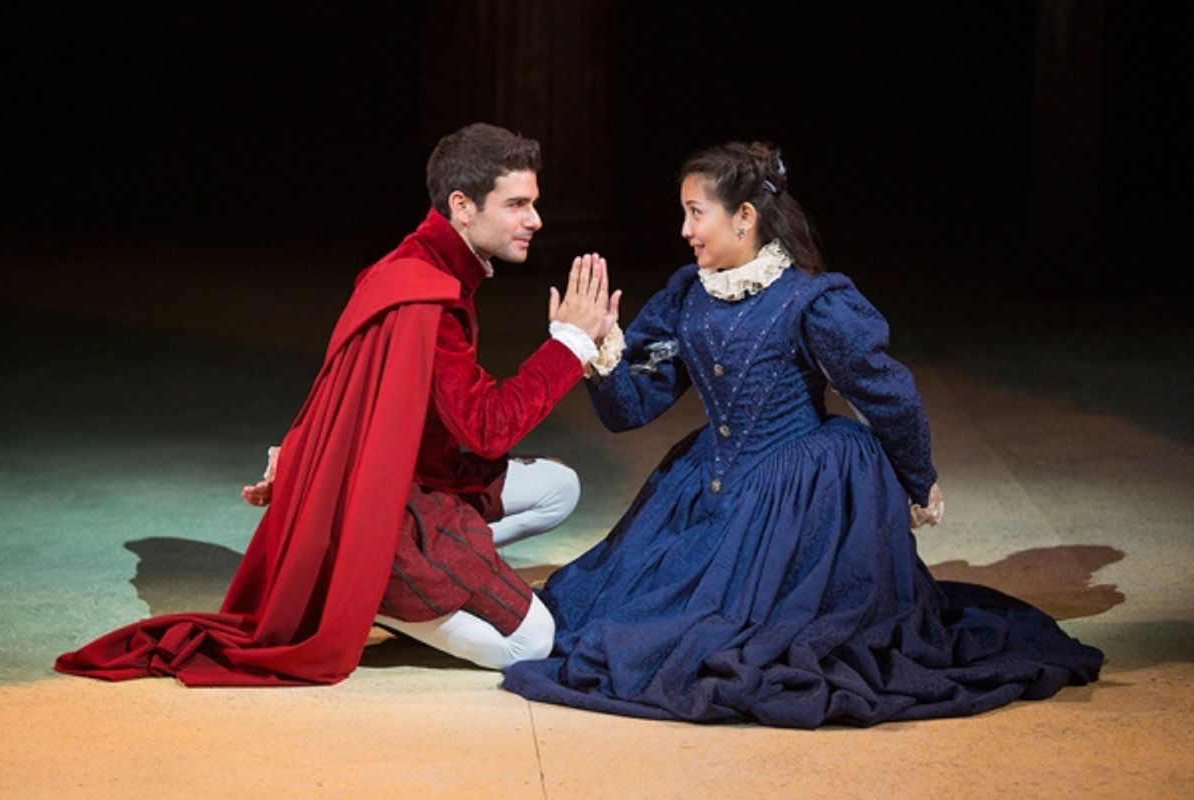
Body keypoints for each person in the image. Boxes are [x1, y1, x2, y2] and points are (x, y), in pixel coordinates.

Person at [502, 141, 1103, 727]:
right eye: (683, 212)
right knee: (620, 611)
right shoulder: (687, 294)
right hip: (711, 478)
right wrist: (592, 352)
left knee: (748, 632)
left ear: (745, 217)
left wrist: (918, 479)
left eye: (695, 213)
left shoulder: (811, 302)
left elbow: (888, 395)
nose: (684, 229)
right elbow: (629, 411)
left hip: (801, 489)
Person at [55, 122, 619, 685]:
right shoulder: (424, 294)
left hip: (419, 478)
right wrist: (568, 346)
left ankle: (424, 565)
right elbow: (487, 429)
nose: (535, 221)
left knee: (559, 488)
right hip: (389, 508)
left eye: (534, 203)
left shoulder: (414, 267)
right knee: (533, 643)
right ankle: (372, 586)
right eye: (517, 204)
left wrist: (301, 451)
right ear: (462, 206)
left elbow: (347, 387)